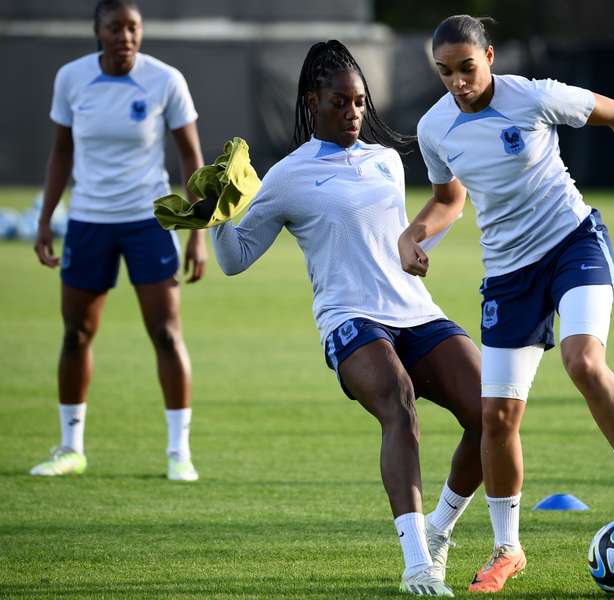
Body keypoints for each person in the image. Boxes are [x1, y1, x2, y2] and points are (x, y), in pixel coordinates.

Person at [399, 15, 614, 593]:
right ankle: (507, 549)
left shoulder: (533, 96)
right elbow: (448, 198)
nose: (457, 81)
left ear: (490, 57)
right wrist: (413, 234)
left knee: (582, 360)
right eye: (445, 72)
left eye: (467, 68)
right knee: (498, 417)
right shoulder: (435, 127)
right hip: (507, 275)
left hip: (574, 244)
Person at [210, 40, 484, 597]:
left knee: (493, 412)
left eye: (360, 101)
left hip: (415, 312)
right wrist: (216, 215)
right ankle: (416, 565)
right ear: (313, 102)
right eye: (341, 101)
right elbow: (236, 260)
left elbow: (401, 228)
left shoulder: (384, 160)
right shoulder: (287, 175)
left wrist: (417, 243)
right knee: (399, 404)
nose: (354, 112)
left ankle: (439, 529)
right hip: (350, 321)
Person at [31, 0, 206, 481]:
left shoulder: (165, 79)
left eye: (133, 28)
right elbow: (60, 153)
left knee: (167, 334)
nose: (125, 37)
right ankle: (70, 448)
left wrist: (197, 232)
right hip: (88, 221)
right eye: (115, 28)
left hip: (149, 221)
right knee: (76, 334)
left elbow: (191, 156)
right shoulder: (71, 79)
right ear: (98, 32)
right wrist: (46, 219)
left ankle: (178, 453)